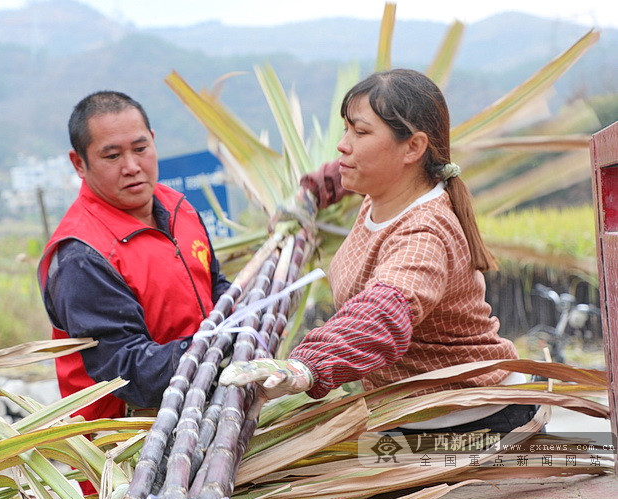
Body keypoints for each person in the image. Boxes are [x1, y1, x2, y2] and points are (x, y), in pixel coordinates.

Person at [220, 68, 533, 433]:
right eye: (346, 129)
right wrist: (309, 194)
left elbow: (385, 312)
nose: (343, 144)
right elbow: (337, 172)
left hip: (462, 418)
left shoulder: (423, 232)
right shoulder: (383, 189)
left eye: (361, 132)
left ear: (413, 148)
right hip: (406, 410)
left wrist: (307, 365)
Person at [38, 90, 230, 423]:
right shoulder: (82, 255)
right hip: (130, 447)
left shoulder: (177, 207)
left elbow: (214, 285)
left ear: (153, 142)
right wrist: (223, 344)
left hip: (203, 411)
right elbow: (131, 373)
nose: (131, 167)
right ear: (79, 163)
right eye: (112, 156)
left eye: (140, 149)